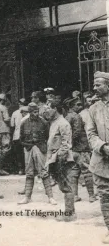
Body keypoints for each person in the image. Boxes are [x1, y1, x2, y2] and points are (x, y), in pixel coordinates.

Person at [18, 102, 57, 205]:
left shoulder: (44, 122)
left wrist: (45, 148)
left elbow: (48, 137)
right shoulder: (24, 123)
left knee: (44, 172)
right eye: (34, 112)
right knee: (29, 173)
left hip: (41, 148)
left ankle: (50, 197)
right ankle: (27, 197)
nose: (36, 114)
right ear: (29, 112)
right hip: (29, 148)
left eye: (37, 111)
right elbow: (21, 138)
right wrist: (27, 145)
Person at [86, 71, 109, 244]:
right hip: (102, 163)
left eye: (98, 85)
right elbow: (91, 134)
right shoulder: (93, 109)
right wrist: (102, 147)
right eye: (94, 85)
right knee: (105, 198)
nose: (94, 88)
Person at [44, 101, 76, 222]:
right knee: (63, 185)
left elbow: (66, 143)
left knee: (66, 185)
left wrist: (60, 159)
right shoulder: (54, 122)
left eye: (48, 108)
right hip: (55, 157)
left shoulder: (63, 123)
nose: (46, 111)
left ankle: (69, 213)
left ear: (55, 109)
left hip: (61, 158)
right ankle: (69, 212)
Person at [65, 97, 97, 203]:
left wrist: (69, 146)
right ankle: (91, 196)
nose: (80, 106)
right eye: (77, 105)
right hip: (81, 149)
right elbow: (77, 132)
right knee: (87, 172)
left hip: (73, 150)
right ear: (71, 106)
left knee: (74, 173)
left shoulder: (67, 116)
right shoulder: (76, 116)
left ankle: (75, 196)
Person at [11, 98, 27, 175]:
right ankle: (28, 168)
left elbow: (12, 125)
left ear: (19, 103)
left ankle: (21, 169)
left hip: (17, 135)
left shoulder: (15, 113)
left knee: (18, 153)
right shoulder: (29, 112)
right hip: (26, 136)